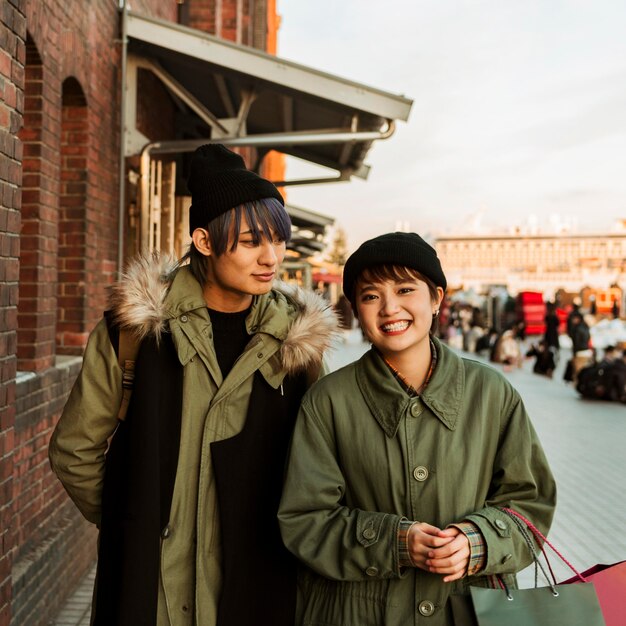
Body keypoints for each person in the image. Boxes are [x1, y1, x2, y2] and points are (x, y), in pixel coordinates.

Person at [49, 144, 339, 626]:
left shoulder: (297, 345)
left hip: (258, 586)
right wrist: (133, 520)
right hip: (152, 594)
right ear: (204, 241)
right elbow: (74, 450)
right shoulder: (133, 332)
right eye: (251, 242)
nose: (272, 257)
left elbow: (323, 464)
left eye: (279, 240)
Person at [278, 232, 556, 626]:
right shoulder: (328, 401)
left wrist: (477, 541)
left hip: (470, 610)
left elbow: (530, 505)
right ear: (356, 308)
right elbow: (305, 519)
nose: (390, 308)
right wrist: (395, 541)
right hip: (355, 612)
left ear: (437, 298)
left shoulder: (491, 393)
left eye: (406, 289)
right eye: (371, 296)